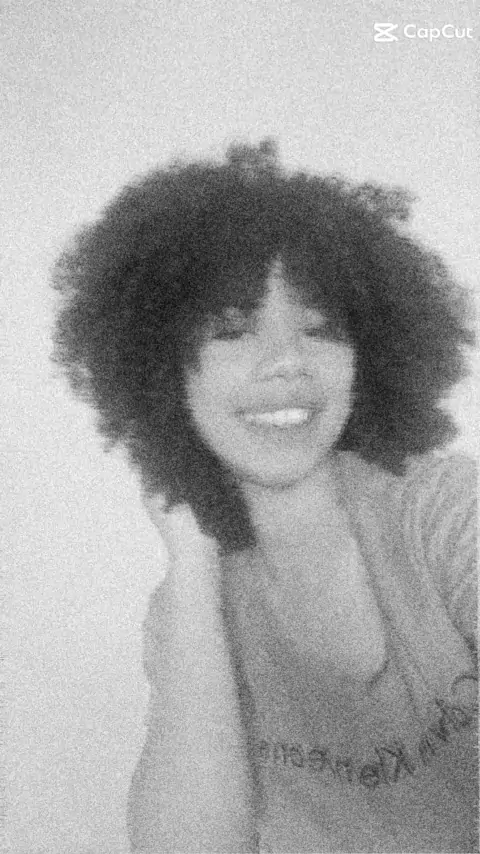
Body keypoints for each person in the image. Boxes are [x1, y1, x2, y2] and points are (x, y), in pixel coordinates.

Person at [50, 140, 478, 853]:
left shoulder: (444, 512)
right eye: (232, 330)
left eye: (320, 328)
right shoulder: (188, 614)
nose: (287, 361)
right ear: (162, 370)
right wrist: (190, 563)